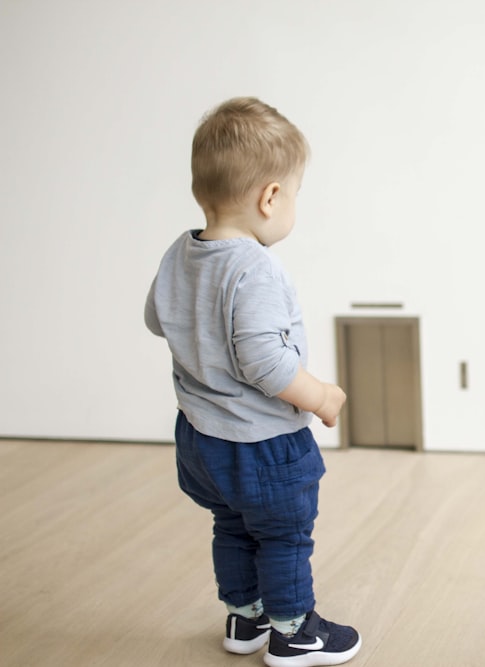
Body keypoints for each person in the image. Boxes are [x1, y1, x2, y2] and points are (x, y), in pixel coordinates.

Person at [145, 97, 361, 667]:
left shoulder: (181, 252)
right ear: (271, 197)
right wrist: (322, 397)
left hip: (200, 440)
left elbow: (155, 318)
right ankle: (296, 634)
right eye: (293, 194)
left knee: (233, 527)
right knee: (284, 535)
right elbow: (264, 363)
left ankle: (247, 618)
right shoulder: (254, 267)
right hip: (262, 446)